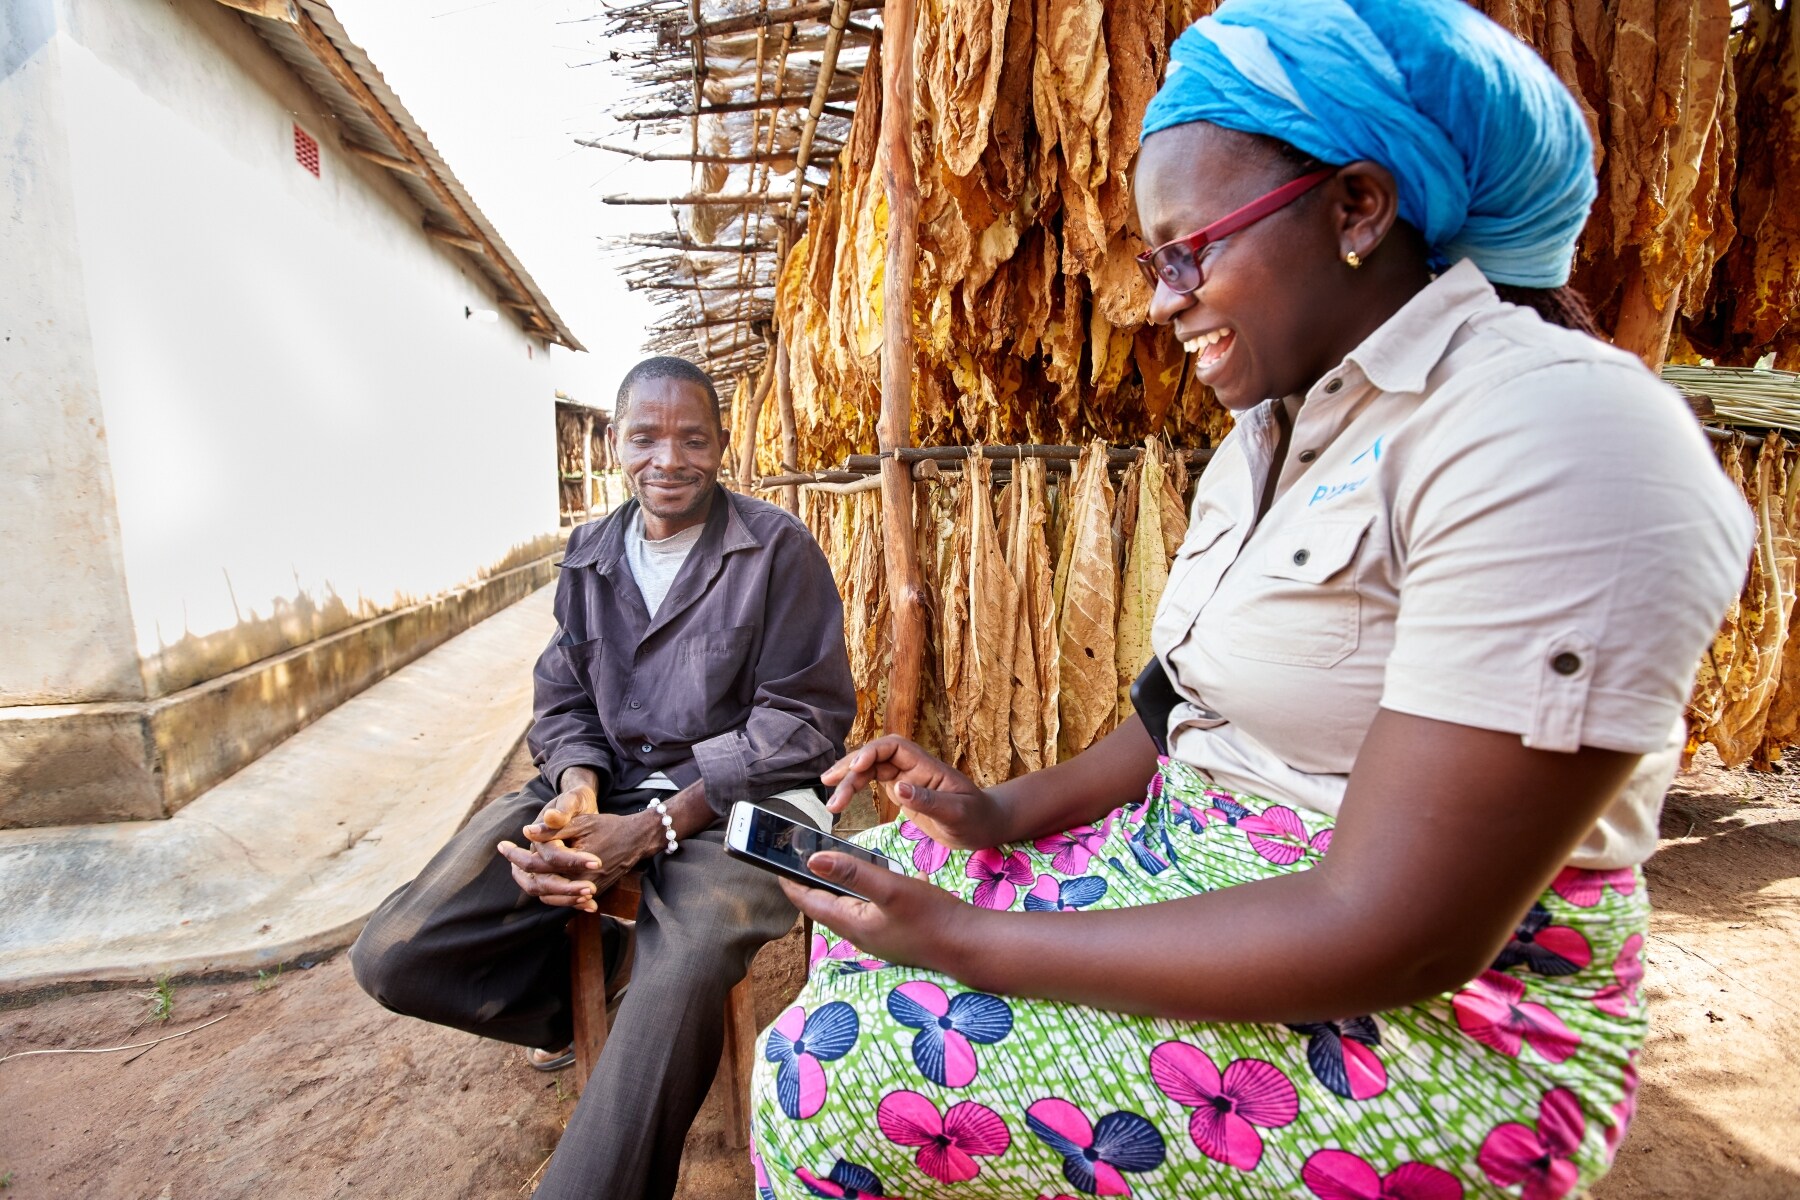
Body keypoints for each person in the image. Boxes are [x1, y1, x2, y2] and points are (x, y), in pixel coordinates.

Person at [748, 3, 1753, 1197]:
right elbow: (1185, 714)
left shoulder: (1558, 434)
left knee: (823, 1072)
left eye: (1191, 248)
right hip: (1211, 875)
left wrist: (972, 943)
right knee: (857, 927)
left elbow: (1401, 928)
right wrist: (997, 816)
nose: (1160, 297)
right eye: (1151, 258)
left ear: (1359, 207)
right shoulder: (1273, 434)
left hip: (1431, 1028)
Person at [350, 356, 855, 1200]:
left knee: (689, 954)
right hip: (612, 787)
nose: (669, 459)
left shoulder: (776, 551)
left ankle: (611, 1126)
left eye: (693, 438)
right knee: (396, 954)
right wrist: (577, 788)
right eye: (646, 437)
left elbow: (802, 722)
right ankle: (592, 1007)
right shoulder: (588, 555)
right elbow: (562, 698)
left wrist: (656, 829)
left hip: (740, 803)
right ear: (614, 443)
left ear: (723, 446)